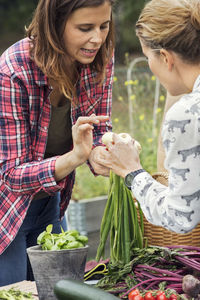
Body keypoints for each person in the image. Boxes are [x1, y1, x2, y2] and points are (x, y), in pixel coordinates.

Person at [0, 0, 115, 285]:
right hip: (6, 212)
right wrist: (76, 157)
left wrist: (104, 150)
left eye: (104, 26)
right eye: (85, 28)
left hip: (51, 201)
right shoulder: (13, 72)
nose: (97, 38)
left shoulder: (99, 57)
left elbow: (99, 129)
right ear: (54, 26)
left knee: (57, 290)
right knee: (15, 290)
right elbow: (11, 175)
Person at [97, 0, 200, 235]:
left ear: (165, 57)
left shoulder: (188, 113)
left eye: (147, 57)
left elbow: (180, 217)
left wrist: (131, 171)